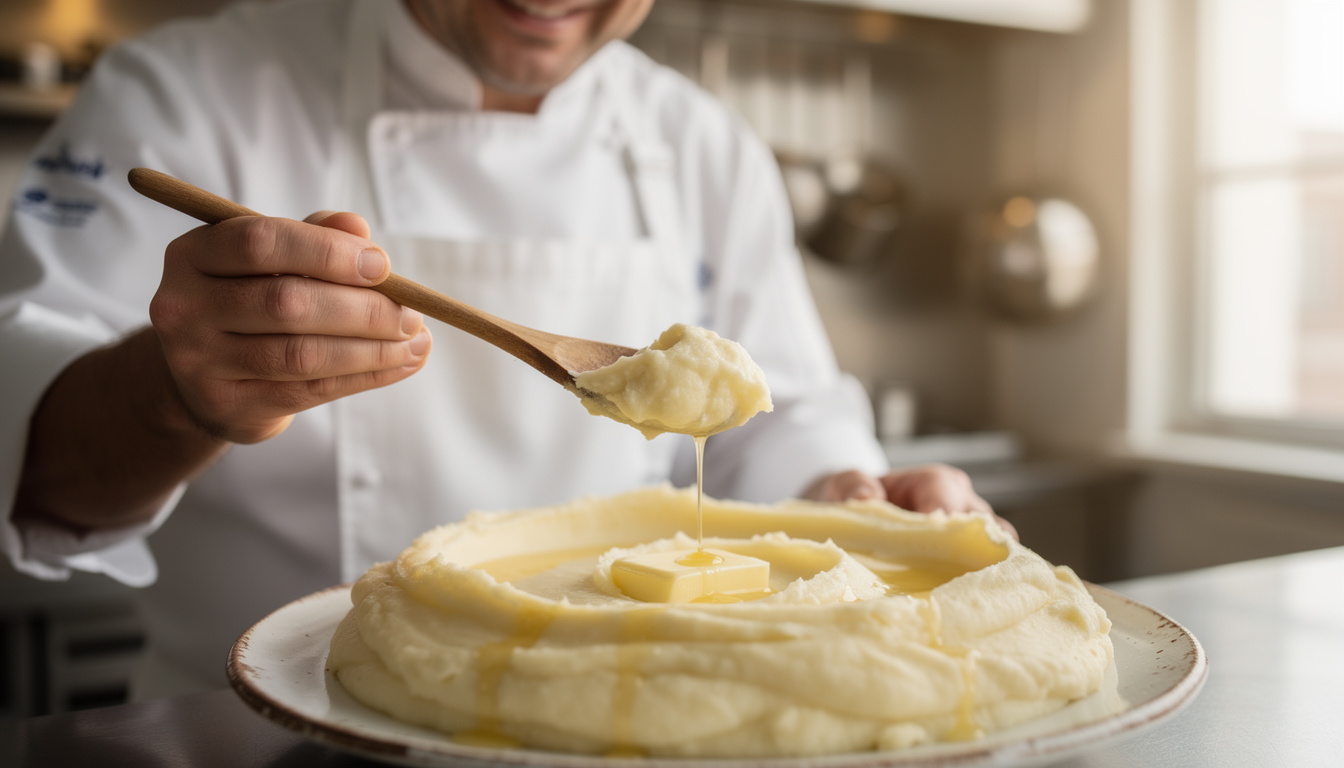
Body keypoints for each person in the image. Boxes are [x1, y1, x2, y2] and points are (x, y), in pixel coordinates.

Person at [0, 0, 998, 699]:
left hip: (610, 734)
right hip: (252, 742)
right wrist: (173, 397)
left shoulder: (701, 144)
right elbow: (32, 462)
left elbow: (769, 423)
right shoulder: (185, 93)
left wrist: (856, 505)